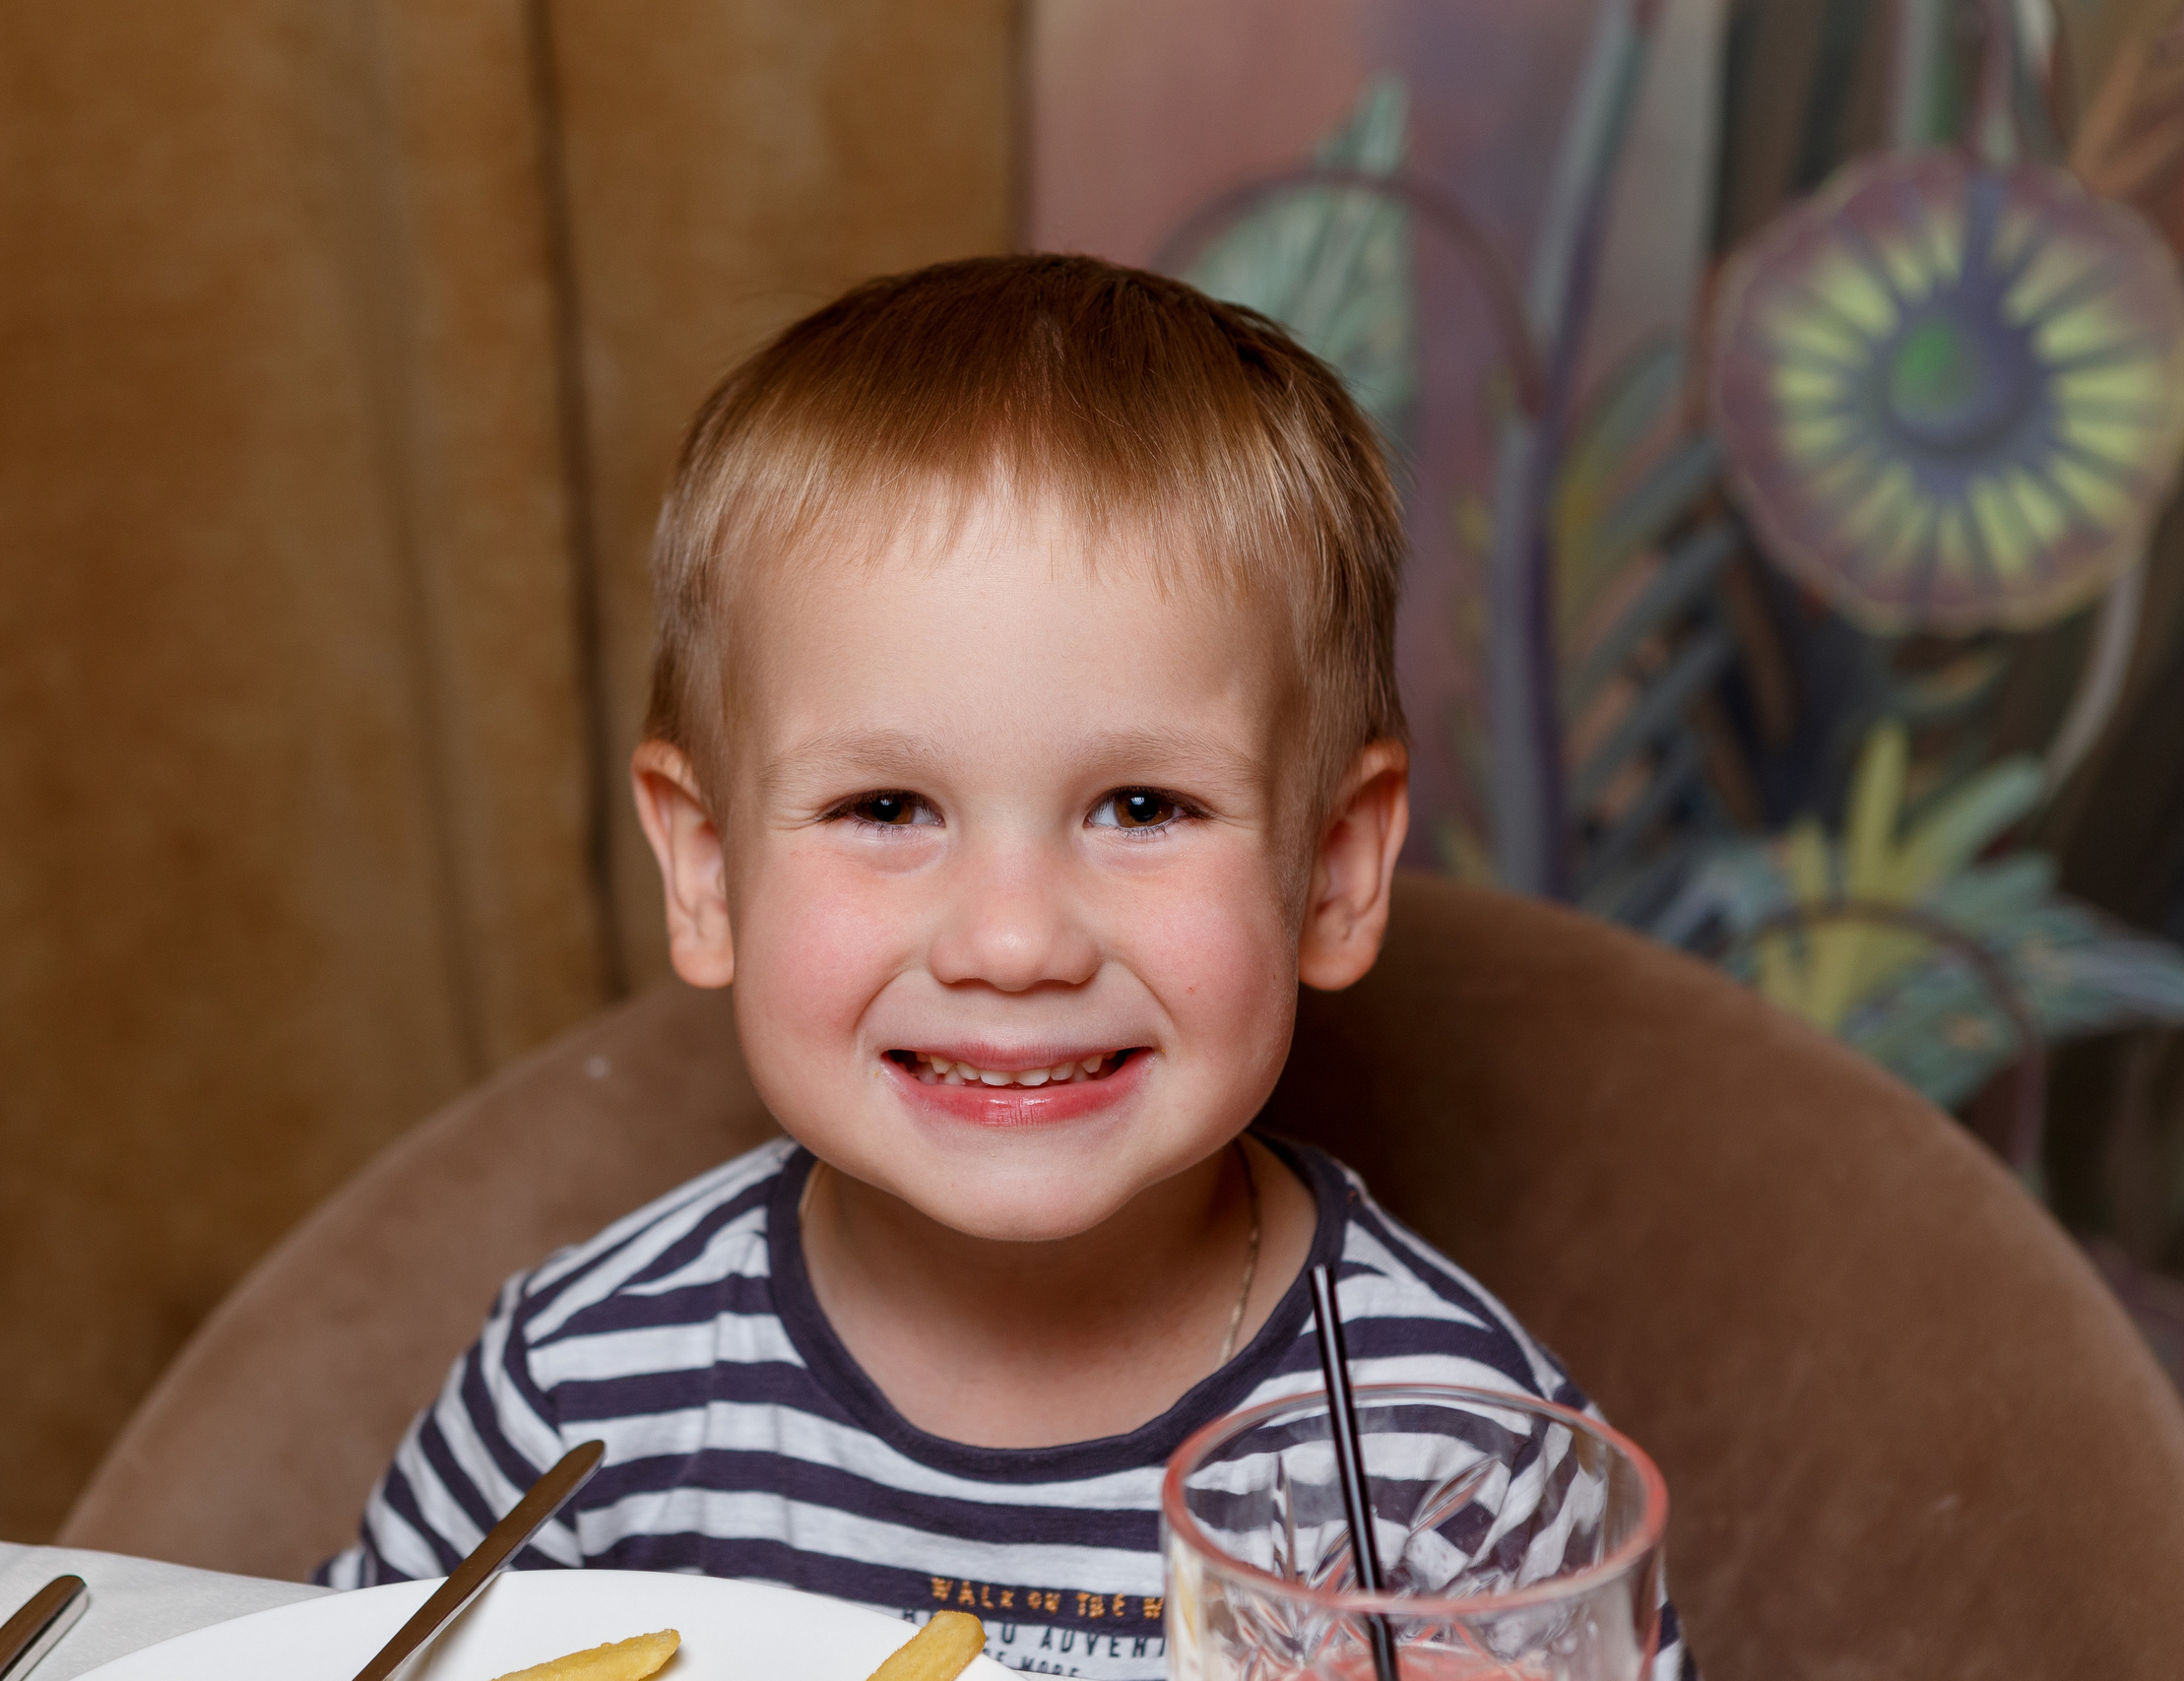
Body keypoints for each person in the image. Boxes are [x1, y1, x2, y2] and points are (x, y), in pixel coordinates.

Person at [321, 254, 1690, 1680]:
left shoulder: (1453, 1463)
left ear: (1335, 869)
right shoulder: (578, 1388)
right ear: (709, 870)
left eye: (1144, 808)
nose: (1016, 943)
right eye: (886, 809)